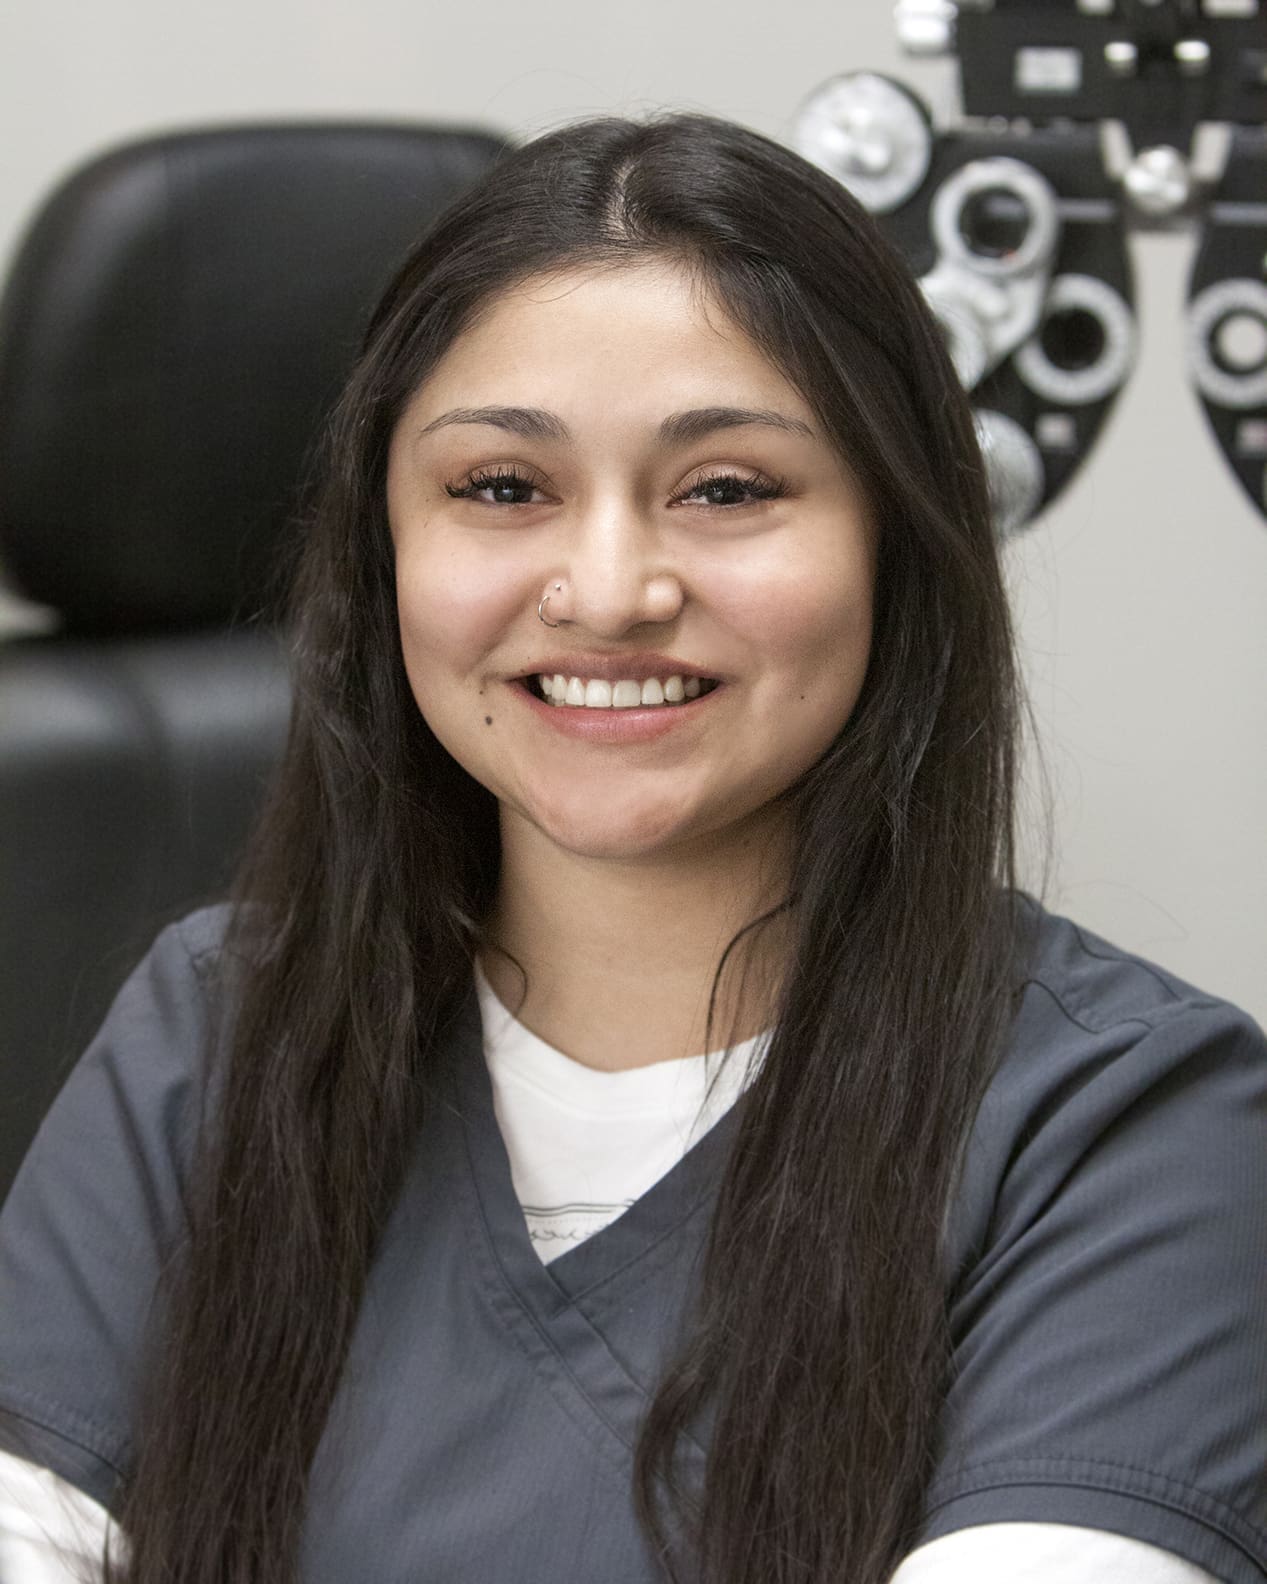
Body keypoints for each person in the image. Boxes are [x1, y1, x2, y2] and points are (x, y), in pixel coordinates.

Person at [0, 109, 1263, 1584]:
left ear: (896, 540)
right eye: (501, 488)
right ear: (384, 546)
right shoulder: (213, 1036)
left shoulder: (1130, 1128)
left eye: (727, 489)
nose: (607, 591)